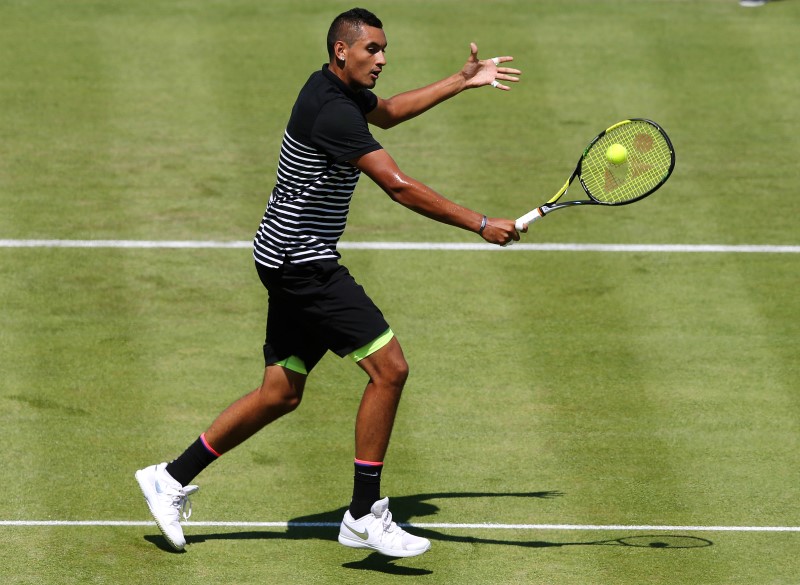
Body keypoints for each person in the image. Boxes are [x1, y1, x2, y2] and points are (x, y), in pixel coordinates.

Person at [135, 7, 522, 558]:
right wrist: (480, 223)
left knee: (280, 393)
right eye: (373, 51)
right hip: (303, 264)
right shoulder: (331, 111)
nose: (383, 59)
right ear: (343, 51)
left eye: (384, 49)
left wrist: (461, 80)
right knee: (390, 370)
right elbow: (399, 186)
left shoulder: (333, 89)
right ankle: (364, 513)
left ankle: (168, 479)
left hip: (282, 255)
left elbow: (386, 114)